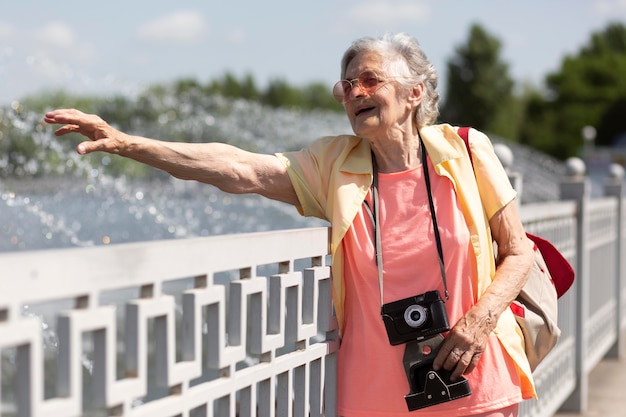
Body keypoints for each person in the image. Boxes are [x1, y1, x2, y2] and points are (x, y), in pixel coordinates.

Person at [44, 33, 535, 417]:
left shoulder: (466, 151)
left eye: (369, 81)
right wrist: (128, 143)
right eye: (347, 86)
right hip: (374, 396)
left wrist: (479, 320)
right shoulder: (335, 166)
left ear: (413, 93)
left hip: (476, 377)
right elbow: (239, 168)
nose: (355, 93)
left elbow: (518, 252)